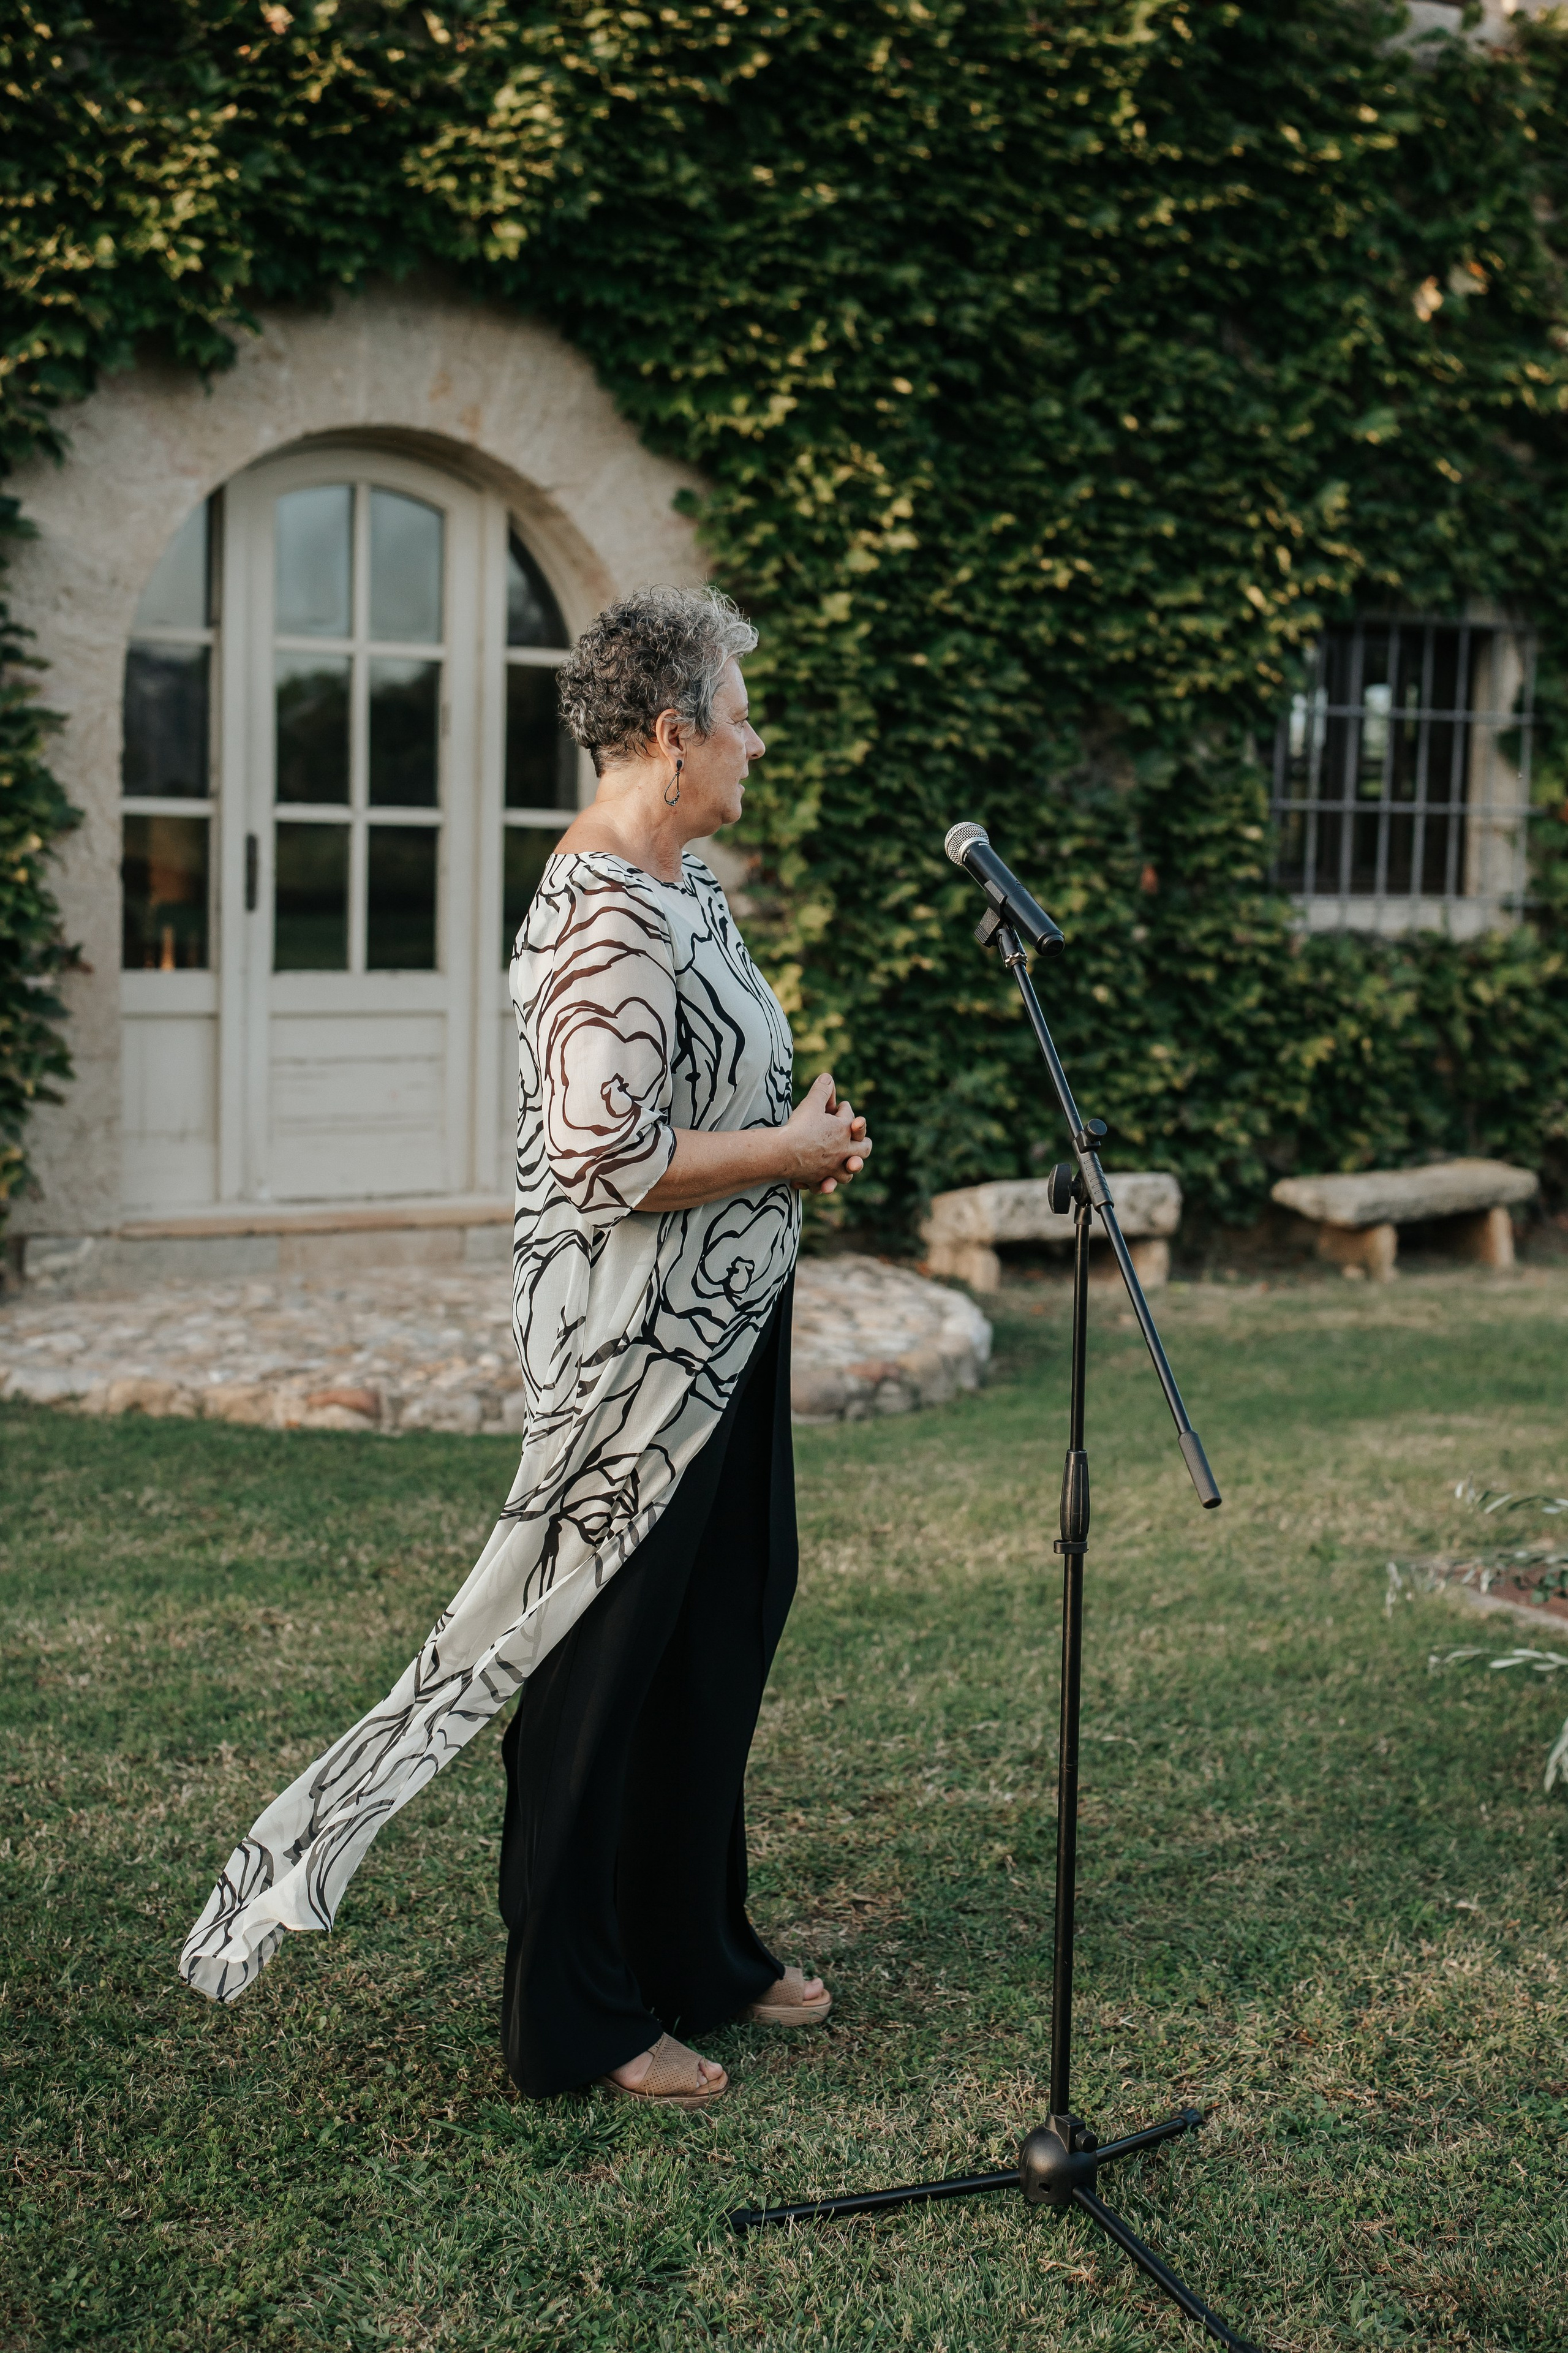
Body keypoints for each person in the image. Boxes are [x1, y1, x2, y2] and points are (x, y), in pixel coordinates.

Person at [179, 586, 870, 2112]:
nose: (757, 741)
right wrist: (784, 1148)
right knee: (594, 1672)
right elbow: (602, 1157)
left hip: (722, 1336)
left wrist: (788, 1139)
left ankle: (694, 1946)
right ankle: (573, 2012)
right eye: (740, 716)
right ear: (673, 733)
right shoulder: (601, 911)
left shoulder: (681, 882)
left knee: (717, 1635)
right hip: (636, 1358)